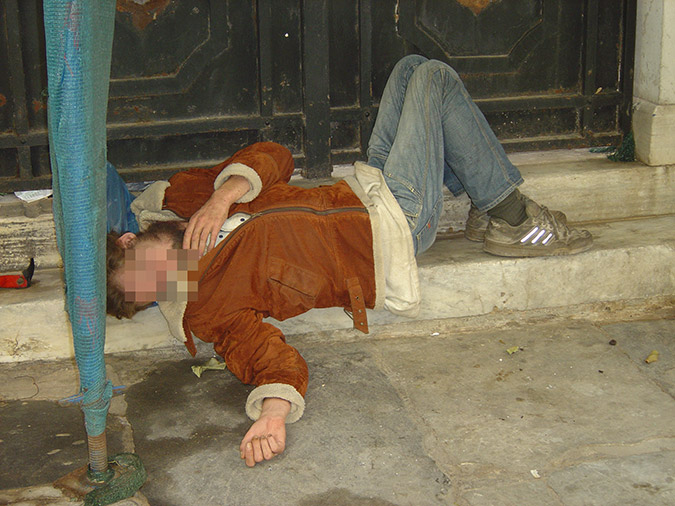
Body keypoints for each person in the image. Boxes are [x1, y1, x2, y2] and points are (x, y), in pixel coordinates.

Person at [106, 55, 592, 467]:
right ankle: (513, 216)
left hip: (366, 185)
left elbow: (276, 156)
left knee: (409, 68)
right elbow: (267, 358)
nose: (167, 277)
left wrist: (222, 197)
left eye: (147, 269)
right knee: (434, 79)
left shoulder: (182, 197)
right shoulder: (209, 310)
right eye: (156, 289)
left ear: (131, 239)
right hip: (391, 230)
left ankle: (482, 200)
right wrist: (273, 413)